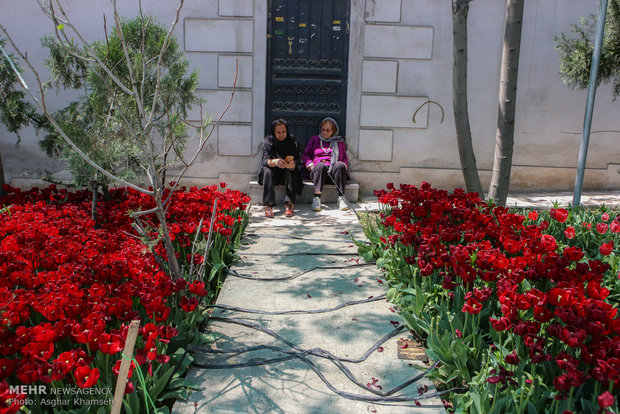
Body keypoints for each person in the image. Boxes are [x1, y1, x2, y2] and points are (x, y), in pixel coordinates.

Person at [302, 117, 349, 212]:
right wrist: (310, 164)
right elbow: (305, 155)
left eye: (328, 130)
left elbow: (344, 158)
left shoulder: (339, 142)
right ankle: (317, 198)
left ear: (333, 131)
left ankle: (341, 198)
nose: (324, 132)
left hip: (333, 174)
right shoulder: (315, 139)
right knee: (321, 165)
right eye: (323, 129)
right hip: (317, 172)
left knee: (340, 165)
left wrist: (344, 165)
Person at [258, 119, 302, 217]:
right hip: (273, 175)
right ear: (273, 132)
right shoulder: (268, 142)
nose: (281, 134)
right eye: (278, 132)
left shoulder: (293, 141)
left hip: (286, 175)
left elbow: (298, 158)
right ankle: (268, 206)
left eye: (284, 132)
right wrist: (275, 161)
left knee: (292, 170)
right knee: (267, 170)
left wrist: (293, 164)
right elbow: (265, 161)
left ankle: (289, 204)